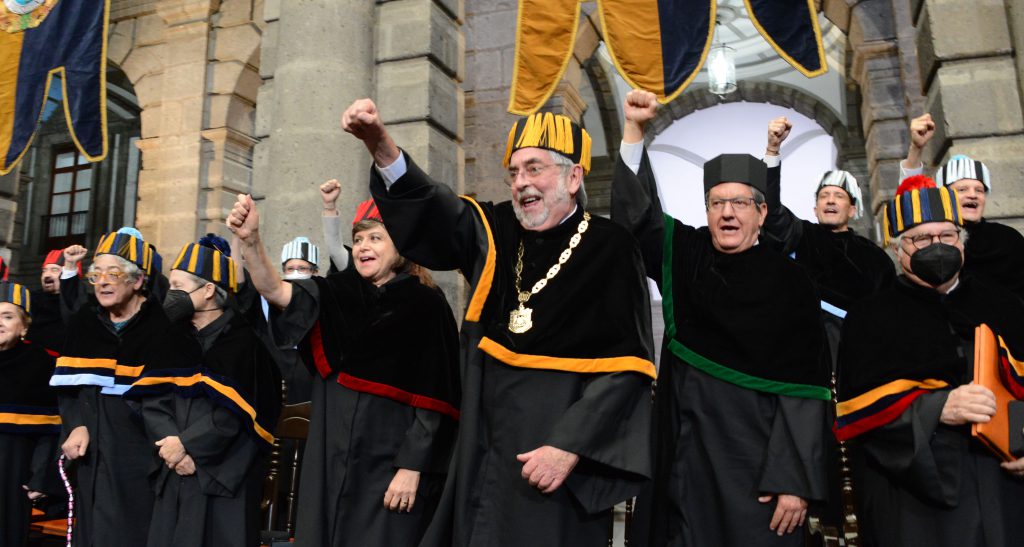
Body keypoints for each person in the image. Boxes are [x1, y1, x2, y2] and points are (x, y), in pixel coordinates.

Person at [336, 98, 656, 546]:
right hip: (485, 443)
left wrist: (569, 446)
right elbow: (436, 207)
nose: (521, 183)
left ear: (573, 176)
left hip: (559, 451)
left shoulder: (613, 248)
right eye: (514, 172)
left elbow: (628, 367)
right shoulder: (497, 230)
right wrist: (381, 145)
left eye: (534, 168)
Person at [610, 89, 829, 546]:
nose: (727, 213)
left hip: (761, 470)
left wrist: (795, 479)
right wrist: (634, 131)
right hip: (687, 458)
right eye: (716, 203)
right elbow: (637, 222)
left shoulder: (791, 281)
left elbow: (805, 390)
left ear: (762, 211)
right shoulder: (686, 255)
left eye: (740, 203)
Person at [228, 193, 460, 546]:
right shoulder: (336, 294)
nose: (363, 246)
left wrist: (413, 467)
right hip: (330, 456)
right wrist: (251, 241)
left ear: (401, 245)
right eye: (358, 239)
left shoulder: (427, 306)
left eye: (375, 237)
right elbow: (275, 290)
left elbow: (436, 399)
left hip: (388, 463)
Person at [835, 177, 1024, 546]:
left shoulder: (1005, 307)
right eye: (921, 239)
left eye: (947, 236)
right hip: (915, 495)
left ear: (962, 241)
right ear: (897, 248)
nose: (937, 247)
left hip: (1005, 483)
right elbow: (857, 414)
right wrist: (938, 407)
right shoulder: (869, 318)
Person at [123, 240, 281, 547]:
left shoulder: (245, 344)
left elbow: (237, 415)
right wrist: (171, 447)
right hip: (172, 468)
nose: (172, 294)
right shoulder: (171, 338)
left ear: (208, 290)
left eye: (180, 286)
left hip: (223, 474)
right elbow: (152, 402)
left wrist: (188, 446)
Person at [48, 231, 201, 547]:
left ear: (137, 280)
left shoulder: (164, 327)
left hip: (145, 454)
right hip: (93, 452)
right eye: (96, 274)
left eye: (113, 273)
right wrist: (76, 426)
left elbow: (179, 399)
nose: (102, 282)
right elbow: (69, 390)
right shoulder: (84, 323)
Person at [763, 116, 895, 364]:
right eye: (824, 196)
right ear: (815, 209)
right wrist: (772, 150)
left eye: (839, 196)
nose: (831, 200)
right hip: (808, 349)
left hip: (864, 352)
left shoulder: (875, 257)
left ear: (853, 210)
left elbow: (889, 310)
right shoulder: (800, 235)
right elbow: (770, 210)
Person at [900, 113, 1024, 302]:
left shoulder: (1008, 239)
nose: (973, 195)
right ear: (944, 197)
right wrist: (916, 148)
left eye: (979, 190)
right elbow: (909, 203)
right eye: (962, 189)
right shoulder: (935, 241)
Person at [0, 281, 62, 547]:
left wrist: (40, 477)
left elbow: (50, 431)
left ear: (24, 326)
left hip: (13, 471)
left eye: (7, 316)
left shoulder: (41, 365)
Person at [27, 249, 79, 357]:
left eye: (54, 270)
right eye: (44, 270)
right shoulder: (30, 299)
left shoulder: (80, 302)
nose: (46, 275)